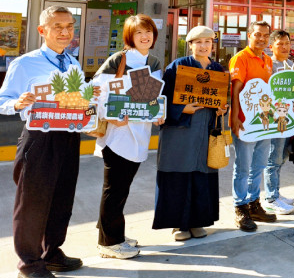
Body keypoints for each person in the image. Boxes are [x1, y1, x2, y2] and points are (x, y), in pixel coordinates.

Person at [0, 6, 95, 278]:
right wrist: (17, 103)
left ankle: (52, 252)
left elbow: (79, 101)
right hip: (39, 139)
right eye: (58, 27)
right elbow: (0, 101)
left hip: (69, 137)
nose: (65, 32)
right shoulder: (25, 64)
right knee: (33, 202)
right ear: (42, 31)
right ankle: (29, 263)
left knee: (62, 198)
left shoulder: (73, 64)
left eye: (70, 27)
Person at [92, 14, 163, 260]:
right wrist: (109, 115)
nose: (144, 37)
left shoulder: (153, 62)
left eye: (148, 32)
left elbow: (153, 98)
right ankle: (109, 243)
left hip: (139, 133)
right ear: (129, 36)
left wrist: (158, 114)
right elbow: (97, 92)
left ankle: (112, 232)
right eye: (138, 33)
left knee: (122, 188)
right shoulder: (118, 60)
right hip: (117, 134)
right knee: (114, 188)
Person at [153, 26, 229, 240]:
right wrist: (181, 109)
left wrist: (223, 108)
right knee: (178, 174)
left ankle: (198, 221)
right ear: (190, 44)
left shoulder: (217, 69)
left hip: (206, 131)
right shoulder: (177, 66)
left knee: (202, 173)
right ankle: (179, 225)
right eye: (199, 42)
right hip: (180, 131)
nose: (204, 46)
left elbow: (221, 99)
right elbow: (162, 99)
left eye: (208, 42)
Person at [228, 21, 278, 229]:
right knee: (243, 166)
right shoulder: (240, 58)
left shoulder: (267, 59)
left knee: (259, 165)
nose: (262, 39)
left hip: (264, 122)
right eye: (257, 35)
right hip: (245, 122)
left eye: (266, 36)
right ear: (249, 36)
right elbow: (236, 89)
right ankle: (240, 208)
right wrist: (234, 118)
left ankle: (253, 204)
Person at [263, 29, 294, 214]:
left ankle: (276, 192)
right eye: (279, 44)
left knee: (282, 156)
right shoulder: (268, 65)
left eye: (287, 43)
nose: (284, 47)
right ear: (271, 47)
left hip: (289, 118)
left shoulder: (292, 65)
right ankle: (270, 198)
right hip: (274, 119)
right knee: (273, 158)